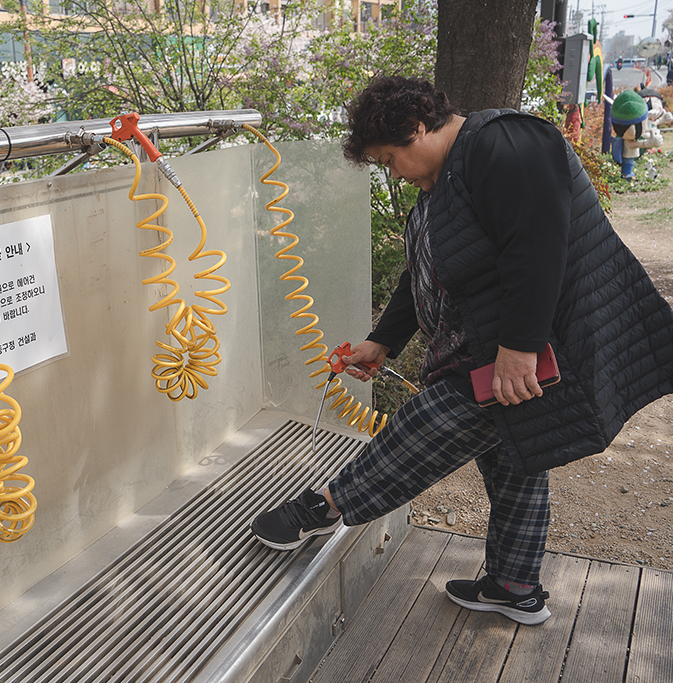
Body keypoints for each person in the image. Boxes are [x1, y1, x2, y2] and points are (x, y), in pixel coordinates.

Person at [251, 76, 673, 626]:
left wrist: (520, 349)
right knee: (514, 454)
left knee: (432, 419)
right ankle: (513, 585)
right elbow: (427, 271)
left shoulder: (507, 143)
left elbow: (538, 247)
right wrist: (385, 340)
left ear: (418, 128)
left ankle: (325, 508)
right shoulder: (445, 182)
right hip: (505, 343)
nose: (393, 172)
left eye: (389, 157)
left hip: (546, 344)